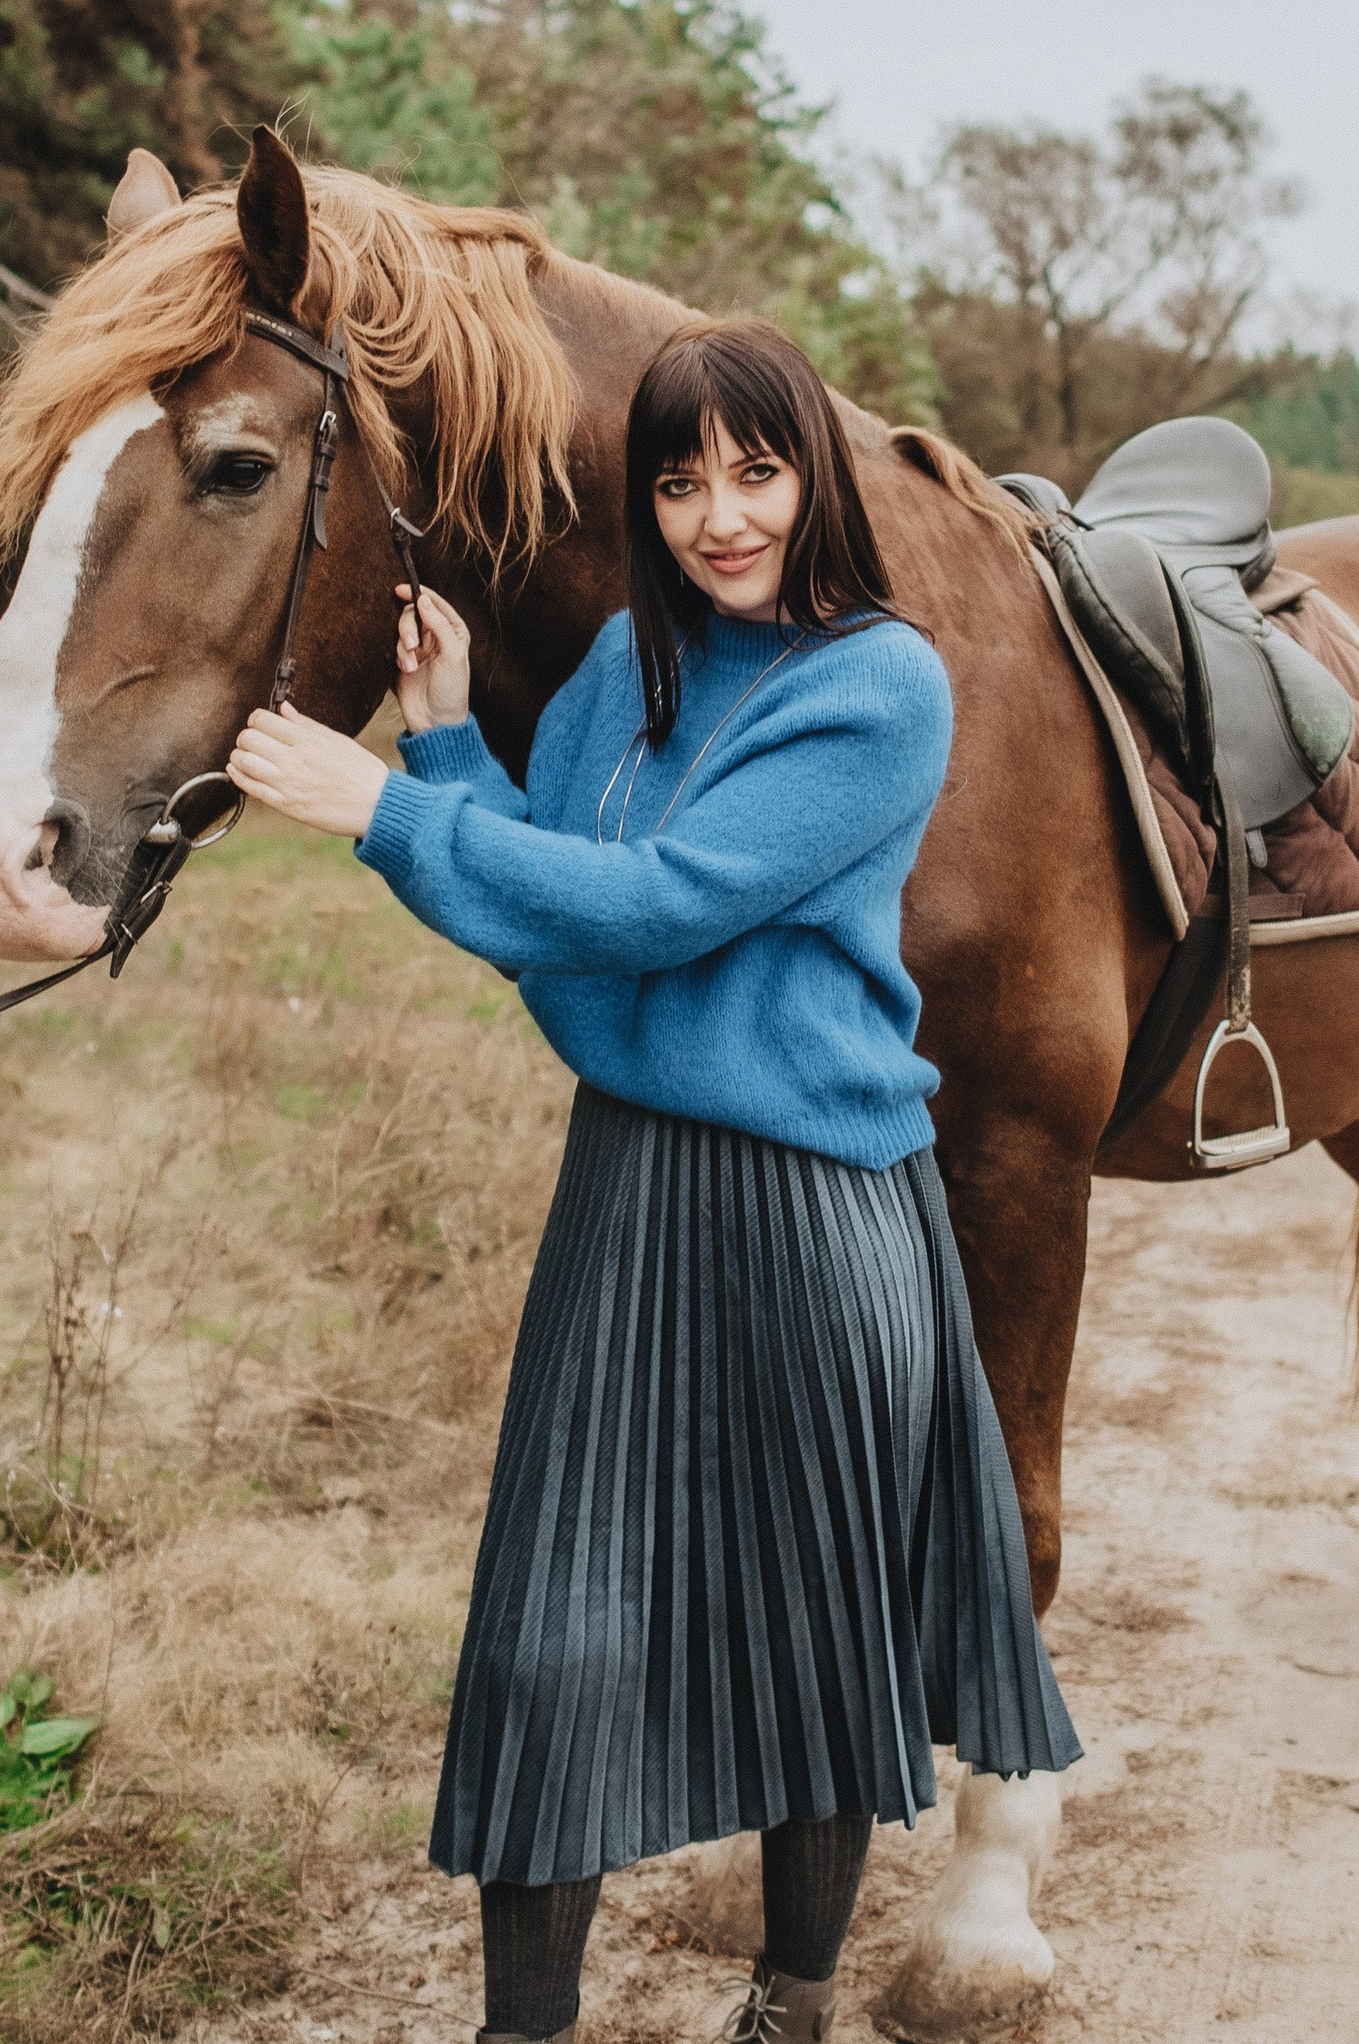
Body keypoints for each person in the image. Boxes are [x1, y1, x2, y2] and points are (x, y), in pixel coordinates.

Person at [226, 318, 1078, 2044]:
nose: (721, 515)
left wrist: (384, 810)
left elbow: (658, 906)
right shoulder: (624, 665)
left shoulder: (880, 684)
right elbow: (546, 910)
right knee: (552, 1641)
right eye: (680, 479)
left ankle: (795, 1997)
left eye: (756, 471)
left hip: (825, 1211)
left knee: (822, 1627)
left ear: (812, 480)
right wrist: (452, 746)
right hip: (628, 1193)